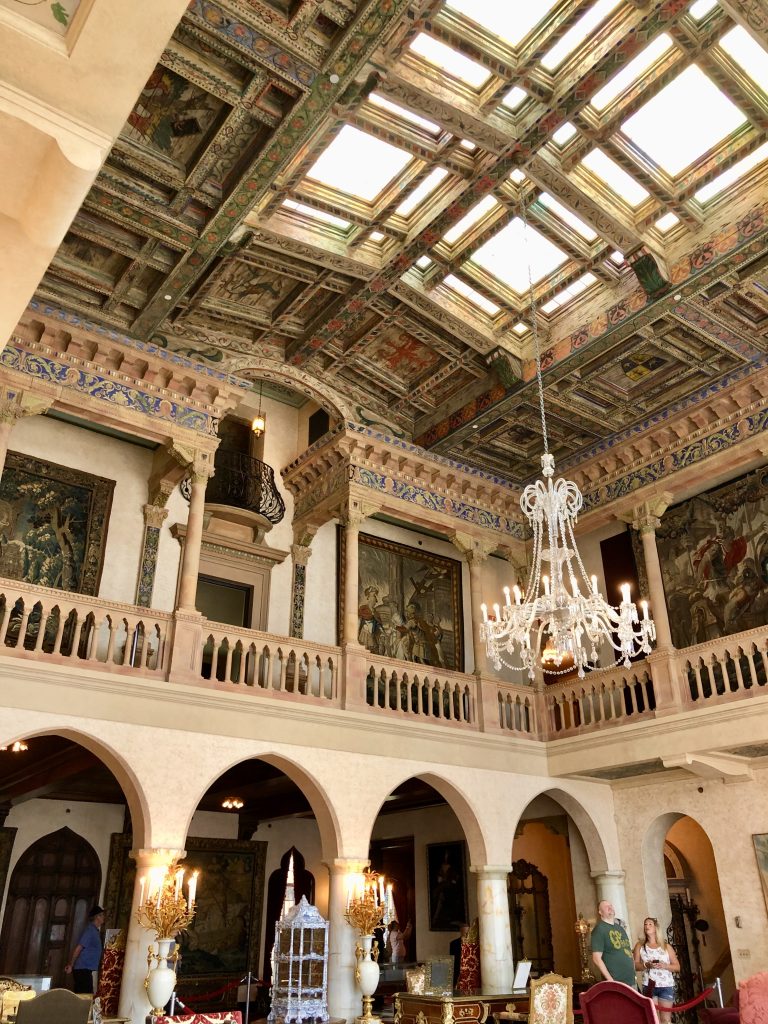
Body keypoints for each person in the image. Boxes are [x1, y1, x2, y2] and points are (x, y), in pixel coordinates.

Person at [633, 917, 679, 1024]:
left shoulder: (666, 946)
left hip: (666, 986)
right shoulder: (640, 946)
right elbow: (635, 966)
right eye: (645, 924)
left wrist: (665, 966)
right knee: (653, 1019)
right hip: (649, 985)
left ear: (655, 928)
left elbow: (677, 967)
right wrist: (646, 965)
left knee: (666, 1020)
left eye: (650, 924)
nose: (647, 926)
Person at [590, 899, 636, 988]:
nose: (610, 907)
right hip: (616, 981)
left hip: (631, 980)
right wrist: (610, 980)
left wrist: (633, 972)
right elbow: (596, 958)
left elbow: (628, 951)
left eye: (611, 905)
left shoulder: (620, 929)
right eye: (606, 906)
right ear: (600, 912)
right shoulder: (600, 929)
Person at [65, 904, 105, 994]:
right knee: (85, 997)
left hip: (85, 970)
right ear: (97, 917)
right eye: (102, 915)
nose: (104, 917)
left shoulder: (95, 931)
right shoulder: (90, 930)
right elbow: (79, 948)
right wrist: (71, 965)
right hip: (82, 969)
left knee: (86, 996)